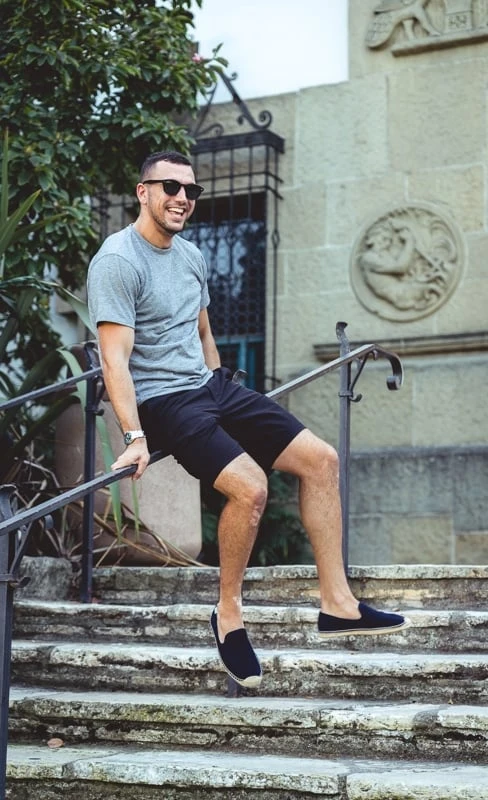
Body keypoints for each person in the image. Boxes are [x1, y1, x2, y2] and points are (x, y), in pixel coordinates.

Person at [87, 150, 410, 689]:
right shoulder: (118, 260)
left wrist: (222, 395)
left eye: (191, 190)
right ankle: (229, 612)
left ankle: (338, 604)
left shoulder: (190, 256)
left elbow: (203, 332)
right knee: (251, 489)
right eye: (169, 187)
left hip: (210, 388)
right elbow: (113, 359)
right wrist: (135, 436)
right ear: (142, 191)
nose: (182, 198)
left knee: (321, 460)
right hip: (165, 402)